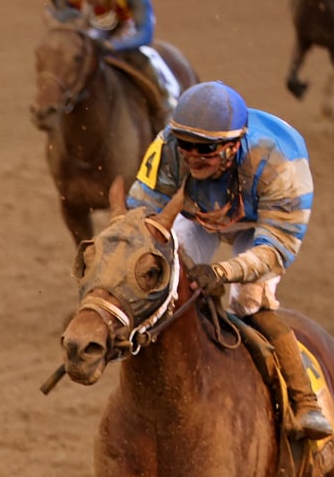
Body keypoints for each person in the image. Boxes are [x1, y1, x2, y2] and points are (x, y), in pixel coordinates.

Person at [129, 81, 332, 441]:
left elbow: (276, 249)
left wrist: (223, 272)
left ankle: (306, 402)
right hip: (199, 213)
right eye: (185, 144)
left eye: (205, 148)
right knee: (159, 269)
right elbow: (141, 211)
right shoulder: (167, 146)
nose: (191, 154)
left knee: (248, 300)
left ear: (234, 144)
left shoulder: (282, 164)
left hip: (259, 227)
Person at [51, 0, 179, 121]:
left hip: (126, 25)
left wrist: (112, 46)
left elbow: (145, 33)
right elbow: (63, 27)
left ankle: (166, 104)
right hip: (90, 24)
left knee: (141, 58)